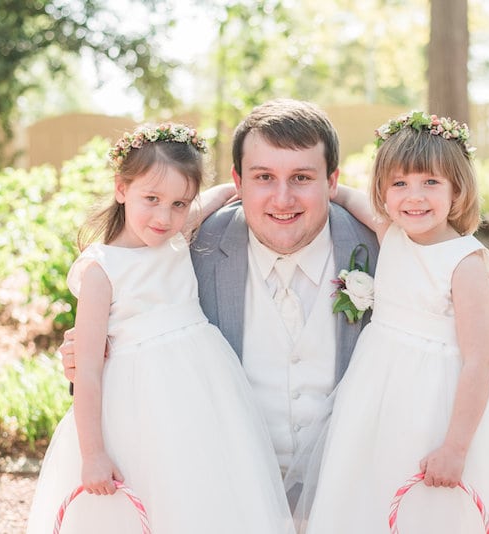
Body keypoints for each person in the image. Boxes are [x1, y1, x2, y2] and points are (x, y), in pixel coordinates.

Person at [60, 99, 489, 481]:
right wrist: (95, 351)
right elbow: (132, 315)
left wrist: (460, 348)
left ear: (332, 183)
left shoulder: (388, 247)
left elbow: (440, 326)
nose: (282, 199)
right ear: (236, 183)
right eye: (263, 178)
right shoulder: (188, 247)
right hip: (224, 489)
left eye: (301, 178)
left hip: (356, 488)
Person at [26, 123, 295, 534]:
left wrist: (234, 190)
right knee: (151, 491)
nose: (164, 216)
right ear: (121, 188)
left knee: (202, 490)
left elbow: (210, 198)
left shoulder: (176, 237)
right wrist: (93, 453)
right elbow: (88, 373)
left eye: (178, 204)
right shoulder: (102, 270)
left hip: (204, 393)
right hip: (138, 404)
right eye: (150, 199)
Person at [300, 111, 489, 533]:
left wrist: (455, 447)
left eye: (430, 183)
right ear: (383, 191)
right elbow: (343, 196)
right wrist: (226, 197)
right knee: (370, 485)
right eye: (399, 184)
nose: (413, 196)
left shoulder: (463, 262)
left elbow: (478, 361)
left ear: (457, 190)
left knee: (433, 506)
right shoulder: (390, 231)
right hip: (377, 392)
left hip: (438, 401)